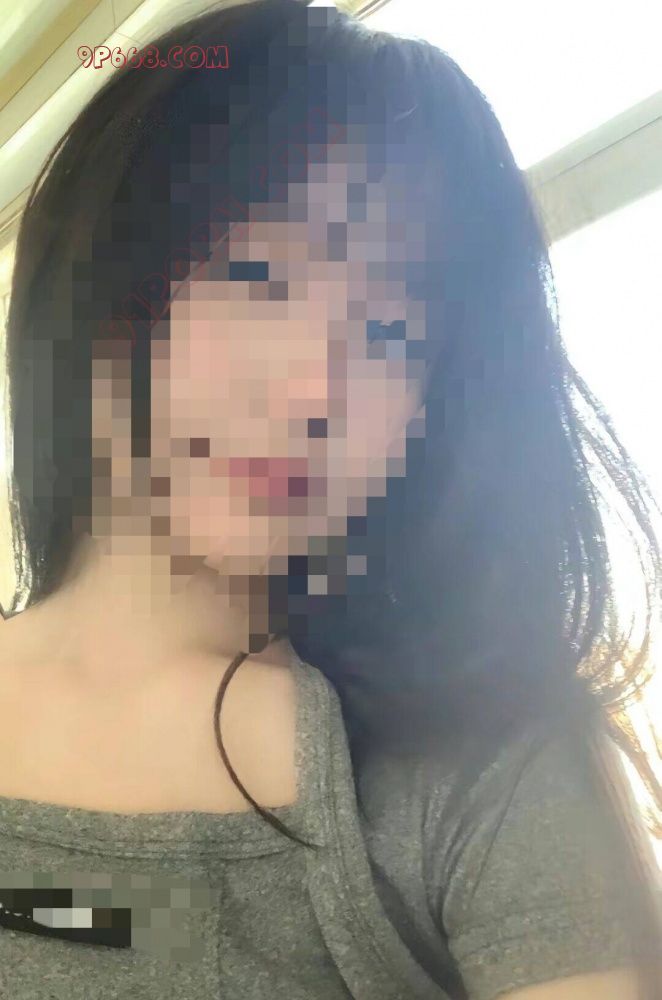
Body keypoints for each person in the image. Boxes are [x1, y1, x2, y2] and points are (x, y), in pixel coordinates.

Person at [0, 0, 660, 997]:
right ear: (94, 288)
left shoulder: (474, 760)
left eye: (392, 334)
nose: (316, 391)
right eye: (254, 273)